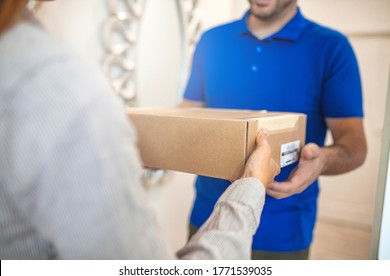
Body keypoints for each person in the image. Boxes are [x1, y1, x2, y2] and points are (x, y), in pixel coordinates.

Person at [0, 0, 280, 259]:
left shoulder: (40, 77)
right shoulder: (57, 86)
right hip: (210, 208)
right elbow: (188, 112)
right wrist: (251, 187)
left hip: (284, 226)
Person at [181, 0, 367, 260]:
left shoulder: (331, 47)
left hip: (283, 232)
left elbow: (355, 146)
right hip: (208, 218)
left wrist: (321, 161)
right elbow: (186, 114)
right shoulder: (212, 40)